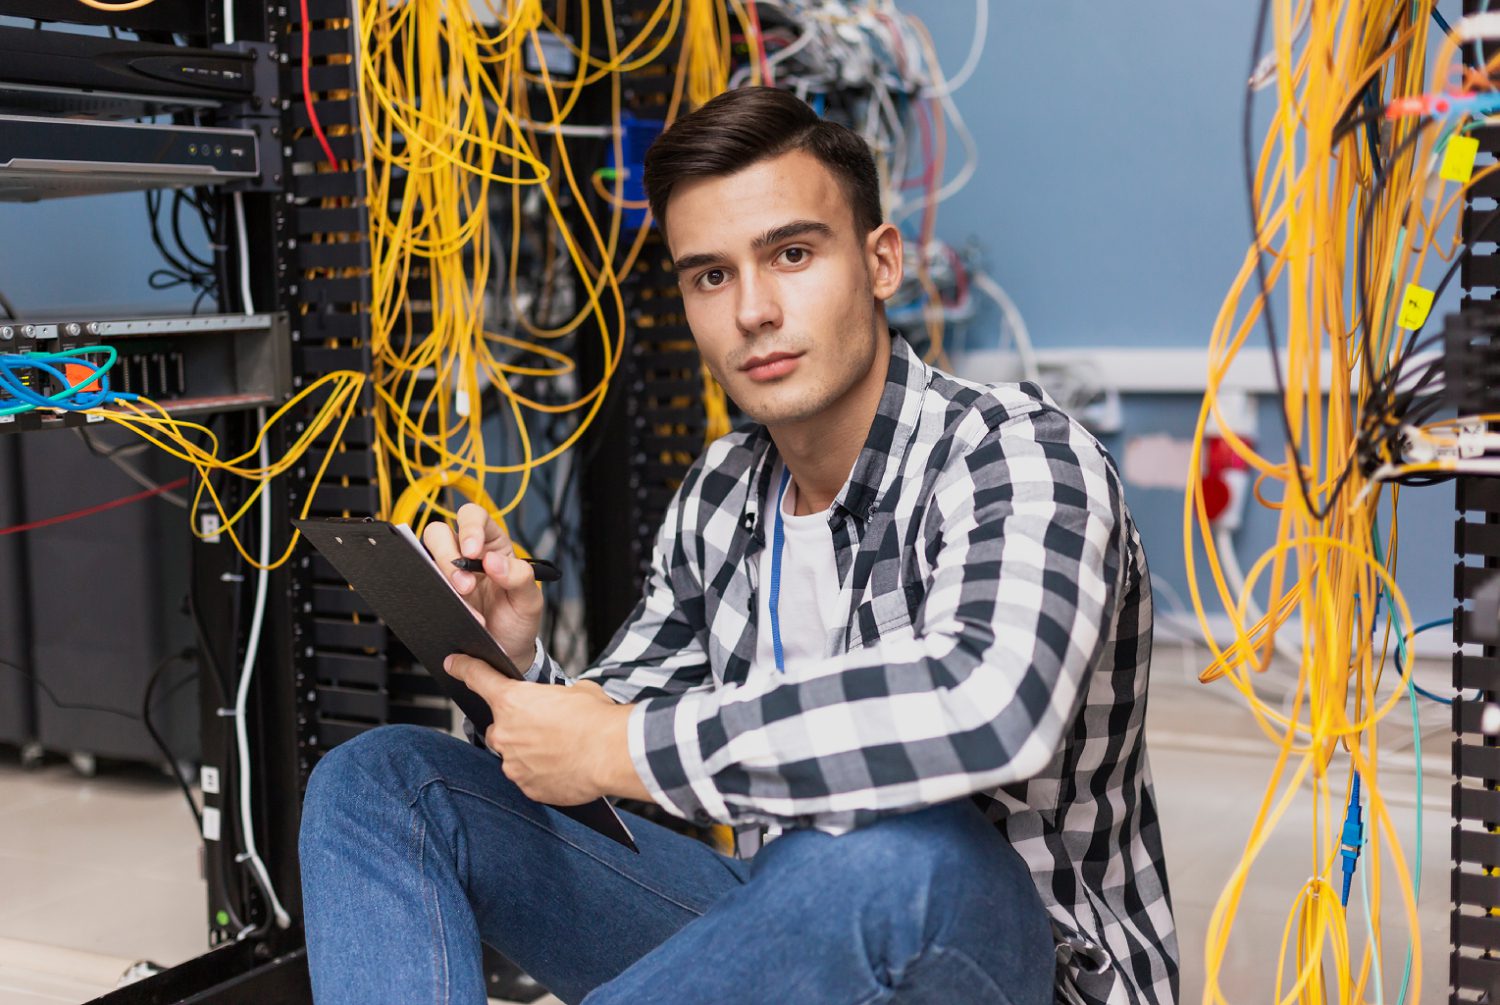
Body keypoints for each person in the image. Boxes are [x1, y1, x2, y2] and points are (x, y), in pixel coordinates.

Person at [299, 86, 1178, 1005]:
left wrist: (622, 742)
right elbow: (614, 743)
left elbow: (990, 705)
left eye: (791, 254)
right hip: (792, 934)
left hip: (995, 957)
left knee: (896, 853)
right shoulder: (723, 491)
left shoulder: (1019, 454)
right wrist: (522, 666)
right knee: (383, 781)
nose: (752, 309)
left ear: (880, 263)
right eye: (710, 275)